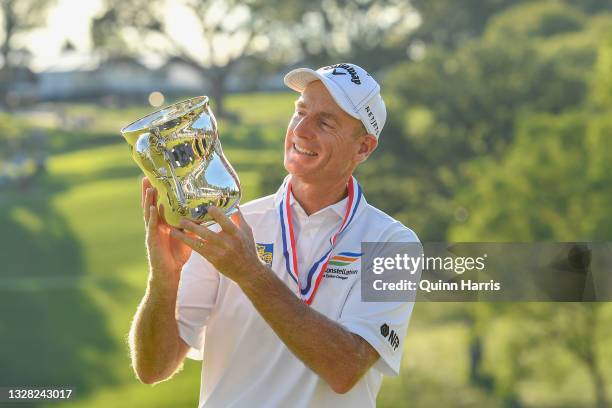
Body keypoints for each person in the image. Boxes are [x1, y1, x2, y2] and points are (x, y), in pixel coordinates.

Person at [129, 63, 420, 407]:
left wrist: (250, 273)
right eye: (300, 112)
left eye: (325, 122)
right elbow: (152, 368)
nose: (302, 130)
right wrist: (164, 278)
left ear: (363, 148)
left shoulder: (394, 245)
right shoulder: (230, 225)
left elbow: (346, 369)